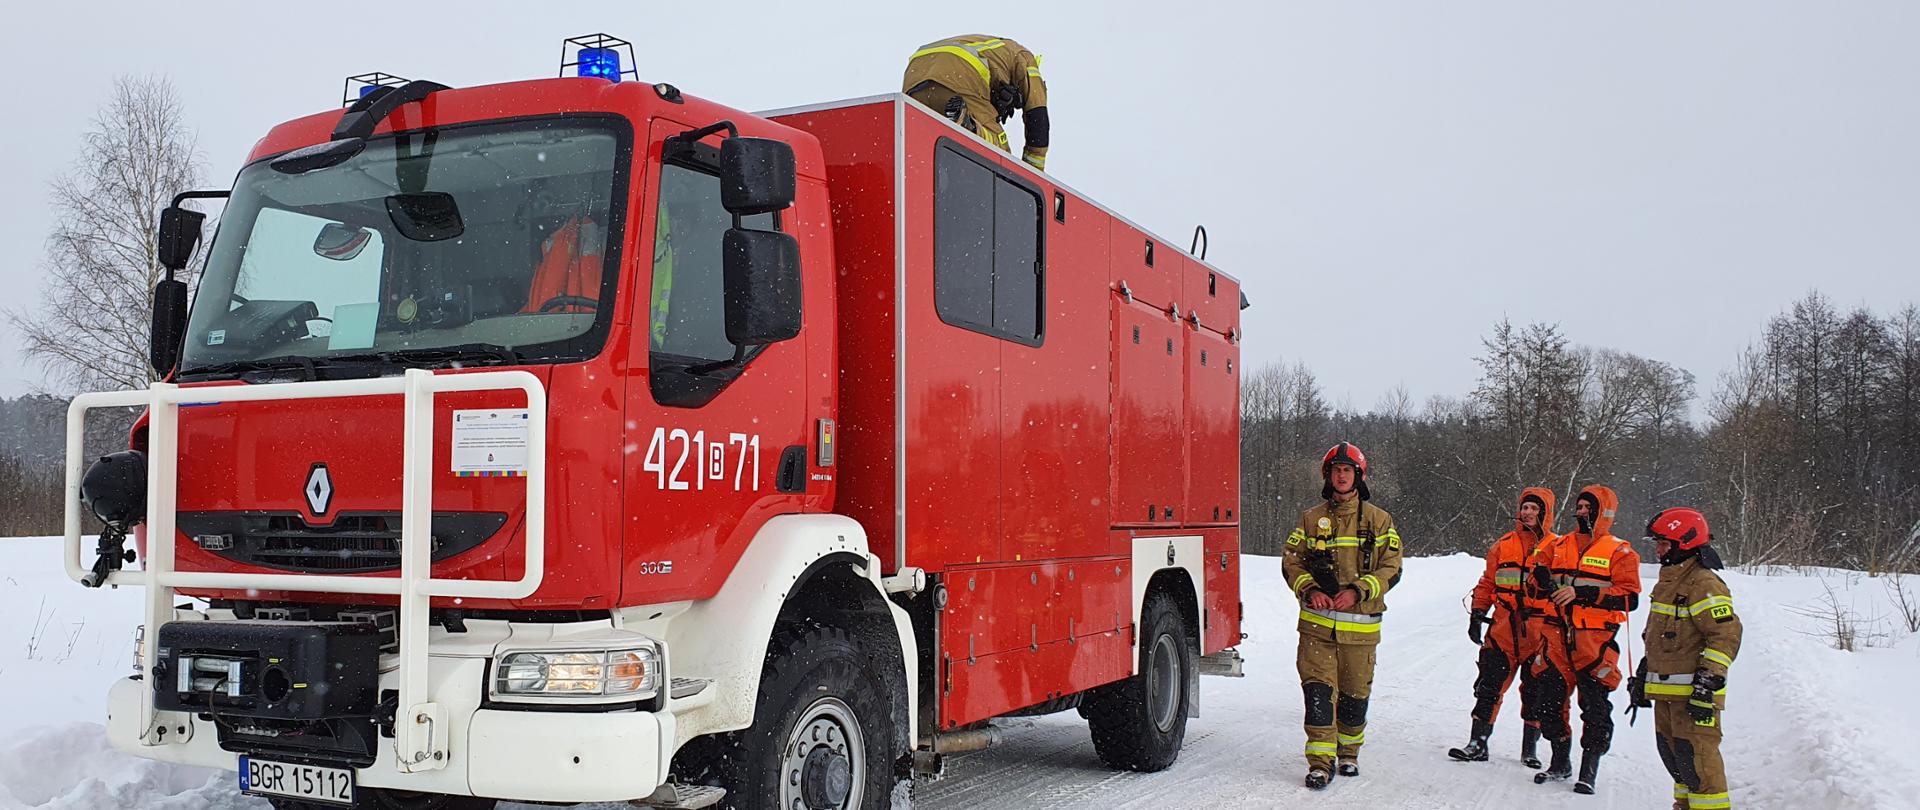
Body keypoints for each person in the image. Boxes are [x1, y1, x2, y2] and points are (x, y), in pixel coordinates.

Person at [1281, 442, 1404, 790]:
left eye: (1347, 470)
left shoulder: (1379, 520)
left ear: (1358, 476)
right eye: (1336, 470)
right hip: (1317, 629)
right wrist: (1310, 589)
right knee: (1318, 695)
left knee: (1354, 697)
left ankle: (1349, 753)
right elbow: (1291, 561)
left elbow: (1392, 568)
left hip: (1360, 632)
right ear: (1327, 475)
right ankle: (1320, 763)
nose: (1341, 476)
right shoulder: (1311, 519)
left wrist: (1358, 591)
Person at [1523, 484, 1641, 794]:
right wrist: (1540, 578)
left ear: (1604, 513)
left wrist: (1584, 593)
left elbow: (1629, 598)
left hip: (1595, 641)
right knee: (1547, 704)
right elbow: (1534, 582)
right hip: (1555, 636)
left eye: (1588, 507)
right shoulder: (1558, 545)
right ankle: (1560, 762)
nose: (1582, 512)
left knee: (1595, 708)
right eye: (1579, 506)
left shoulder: (1620, 551)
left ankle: (1589, 769)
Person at [1635, 507, 1741, 810]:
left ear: (1685, 543)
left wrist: (1708, 682)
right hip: (1669, 695)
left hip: (1695, 696)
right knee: (1680, 762)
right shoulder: (1670, 582)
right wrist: (1645, 671)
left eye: (1663, 544)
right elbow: (1662, 637)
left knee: (1700, 766)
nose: (1658, 550)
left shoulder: (1703, 583)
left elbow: (1726, 635)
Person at [1449, 487, 1555, 766]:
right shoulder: (1503, 545)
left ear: (1545, 513)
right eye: (1525, 507)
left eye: (1534, 508)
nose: (1528, 513)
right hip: (1503, 629)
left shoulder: (1557, 547)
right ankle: (1477, 743)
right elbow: (1488, 582)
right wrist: (1477, 612)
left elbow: (1564, 590)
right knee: (1489, 686)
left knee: (1534, 692)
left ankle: (1530, 749)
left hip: (1539, 631)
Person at [902, 34, 1050, 170]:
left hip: (915, 73)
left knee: (931, 140)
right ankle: (968, 125)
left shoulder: (995, 50)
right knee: (1000, 150)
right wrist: (1033, 175)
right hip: (960, 66)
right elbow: (1038, 118)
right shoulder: (1025, 57)